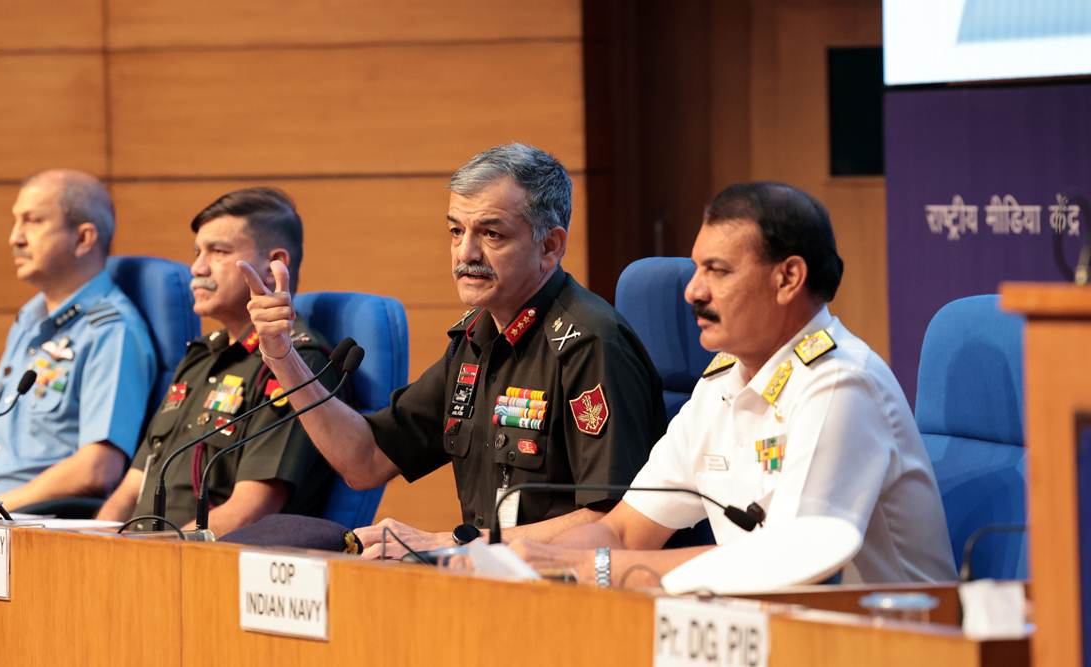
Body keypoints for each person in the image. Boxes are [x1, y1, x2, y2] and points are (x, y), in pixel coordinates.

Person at [511, 182, 957, 586]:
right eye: (697, 270)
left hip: (887, 641)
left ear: (788, 278)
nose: (693, 292)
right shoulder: (721, 382)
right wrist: (523, 563)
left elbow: (786, 565)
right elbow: (626, 529)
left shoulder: (840, 385)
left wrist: (592, 570)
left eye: (718, 271)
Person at [240, 143, 666, 556]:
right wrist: (282, 356)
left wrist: (453, 542)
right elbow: (364, 460)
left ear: (550, 246)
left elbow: (611, 521)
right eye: (456, 231)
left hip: (572, 593)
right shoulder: (474, 339)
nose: (466, 253)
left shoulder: (589, 343)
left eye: (492, 233)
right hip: (491, 581)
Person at [97, 188, 339, 534]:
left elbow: (248, 511)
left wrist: (147, 558)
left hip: (207, 567)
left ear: (275, 267)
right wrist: (98, 545)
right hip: (141, 556)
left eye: (218, 251)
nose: (197, 268)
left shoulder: (298, 366)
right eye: (197, 252)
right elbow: (133, 485)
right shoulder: (199, 358)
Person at [0, 169, 157, 510]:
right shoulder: (28, 320)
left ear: (83, 239)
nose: (14, 237)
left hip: (39, 520)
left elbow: (97, 468)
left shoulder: (111, 331)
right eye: (16, 221)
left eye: (33, 221)